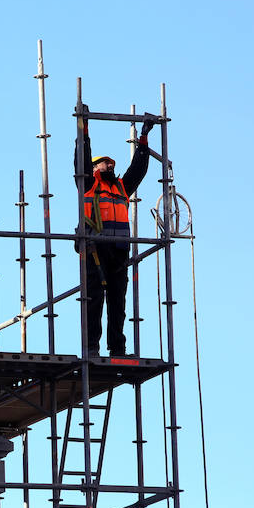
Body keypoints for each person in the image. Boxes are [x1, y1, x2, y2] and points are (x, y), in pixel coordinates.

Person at [74, 107, 156, 357]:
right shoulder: (88, 183)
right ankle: (91, 349)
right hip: (94, 250)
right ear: (95, 167)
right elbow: (81, 159)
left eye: (111, 163)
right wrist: (83, 129)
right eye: (105, 163)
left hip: (119, 252)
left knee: (118, 303)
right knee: (94, 300)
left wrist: (143, 138)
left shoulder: (121, 187)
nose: (110, 165)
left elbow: (138, 169)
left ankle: (118, 349)